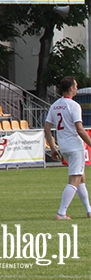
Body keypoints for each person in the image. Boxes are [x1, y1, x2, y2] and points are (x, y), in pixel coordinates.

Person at [44, 76, 91, 220]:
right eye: (76, 86)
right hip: (75, 147)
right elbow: (80, 129)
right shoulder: (74, 106)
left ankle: (89, 211)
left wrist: (53, 148)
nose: (77, 88)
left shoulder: (55, 105)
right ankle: (61, 213)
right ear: (71, 88)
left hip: (63, 147)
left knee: (81, 178)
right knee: (74, 180)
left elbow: (46, 128)